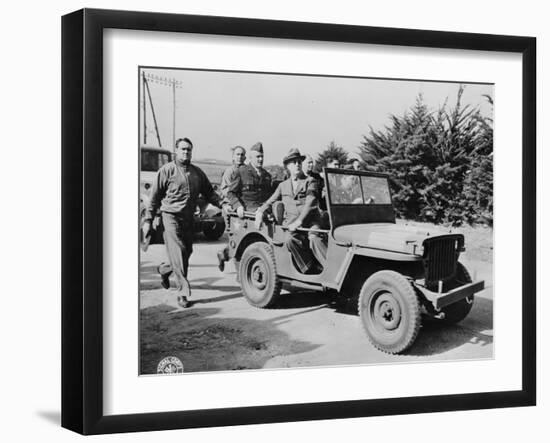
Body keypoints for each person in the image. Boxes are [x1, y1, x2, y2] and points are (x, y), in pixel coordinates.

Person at [142, 137, 227, 308]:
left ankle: (164, 270)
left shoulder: (197, 173)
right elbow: (154, 198)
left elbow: (210, 193)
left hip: (189, 218)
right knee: (179, 252)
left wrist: (223, 203)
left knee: (186, 253)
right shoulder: (166, 171)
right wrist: (148, 220)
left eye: (189, 149)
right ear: (176, 151)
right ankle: (182, 292)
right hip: (170, 217)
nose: (186, 152)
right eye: (183, 149)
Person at [256, 148, 327, 274]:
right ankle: (308, 267)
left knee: (314, 237)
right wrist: (260, 212)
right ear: (288, 166)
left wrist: (299, 221)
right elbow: (270, 201)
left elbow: (311, 203)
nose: (297, 164)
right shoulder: (283, 186)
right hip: (291, 224)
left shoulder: (310, 181)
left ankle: (329, 270)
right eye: (293, 162)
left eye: (299, 161)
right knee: (289, 239)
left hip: (310, 221)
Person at [216, 145, 246, 272]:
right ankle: (237, 269)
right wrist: (228, 204)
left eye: (242, 154)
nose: (240, 157)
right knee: (235, 237)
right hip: (231, 209)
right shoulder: (230, 171)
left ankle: (224, 254)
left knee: (243, 237)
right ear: (233, 157)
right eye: (237, 154)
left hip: (243, 208)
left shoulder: (246, 170)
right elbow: (224, 190)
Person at [226, 142, 273, 216]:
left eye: (262, 156)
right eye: (258, 157)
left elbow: (269, 197)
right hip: (247, 212)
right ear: (251, 158)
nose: (260, 159)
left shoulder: (267, 176)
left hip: (264, 212)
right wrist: (238, 206)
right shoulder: (241, 172)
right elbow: (231, 193)